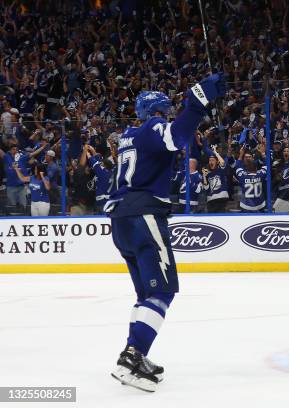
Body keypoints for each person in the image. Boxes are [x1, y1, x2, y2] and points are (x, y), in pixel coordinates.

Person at [104, 73, 225, 392]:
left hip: (122, 220)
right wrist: (197, 103)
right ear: (156, 111)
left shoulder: (128, 135)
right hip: (144, 216)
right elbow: (177, 137)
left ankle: (137, 353)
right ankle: (131, 357)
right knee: (162, 292)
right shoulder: (152, 127)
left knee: (146, 295)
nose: (169, 114)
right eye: (165, 110)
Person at [234, 145, 267, 212]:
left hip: (246, 206)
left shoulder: (242, 176)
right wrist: (263, 153)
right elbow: (266, 165)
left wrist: (241, 154)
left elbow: (237, 166)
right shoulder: (260, 175)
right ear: (256, 168)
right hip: (259, 205)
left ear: (247, 169)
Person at [202, 145, 229, 213]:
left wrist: (215, 152)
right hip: (211, 200)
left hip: (221, 198)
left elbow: (222, 163)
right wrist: (204, 176)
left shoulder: (220, 170)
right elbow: (206, 188)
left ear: (217, 162)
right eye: (209, 160)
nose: (211, 162)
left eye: (212, 160)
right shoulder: (208, 174)